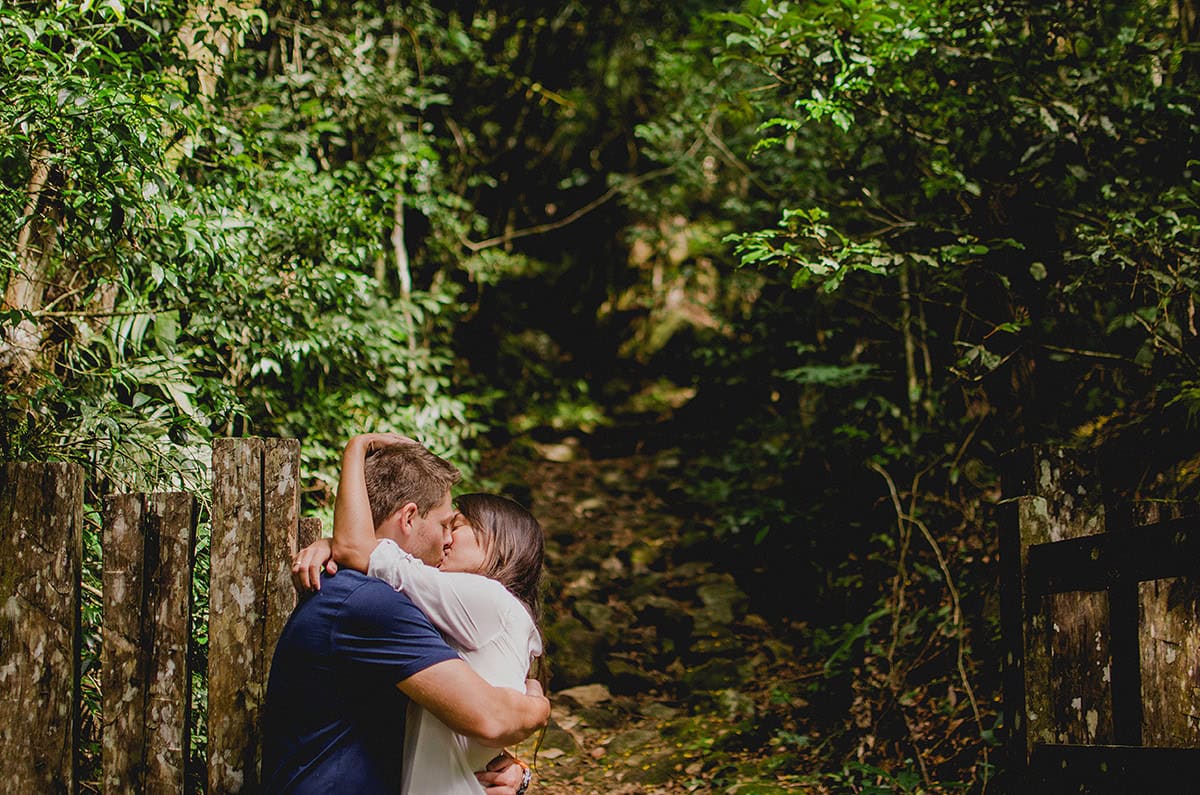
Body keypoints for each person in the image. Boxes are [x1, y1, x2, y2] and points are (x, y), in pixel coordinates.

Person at [261, 434, 546, 794]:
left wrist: (517, 773)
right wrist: (539, 708)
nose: (446, 540)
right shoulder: (371, 603)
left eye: (454, 528)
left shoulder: (395, 601)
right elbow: (489, 717)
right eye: (447, 525)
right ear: (409, 517)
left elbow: (455, 721)